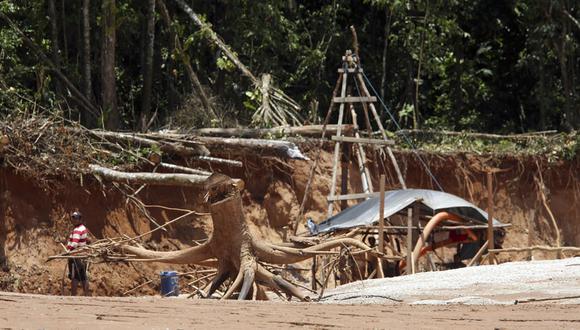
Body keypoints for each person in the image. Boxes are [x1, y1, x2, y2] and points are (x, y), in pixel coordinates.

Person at [66, 211, 90, 296]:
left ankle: (73, 295)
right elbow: (86, 240)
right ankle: (86, 294)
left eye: (76, 218)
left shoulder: (77, 230)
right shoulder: (83, 228)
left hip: (76, 255)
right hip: (83, 255)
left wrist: (69, 251)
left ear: (80, 219)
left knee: (74, 276)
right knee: (83, 276)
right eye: (73, 218)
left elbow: (75, 243)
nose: (74, 220)